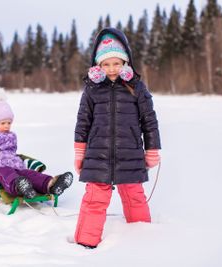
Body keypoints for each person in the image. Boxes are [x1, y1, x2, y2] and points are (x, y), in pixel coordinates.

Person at [73, 28, 161, 249]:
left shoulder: (137, 88)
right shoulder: (92, 90)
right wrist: (80, 153)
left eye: (116, 63)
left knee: (134, 195)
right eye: (106, 64)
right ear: (98, 66)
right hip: (97, 154)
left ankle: (143, 239)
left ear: (125, 63)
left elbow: (149, 121)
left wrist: (152, 150)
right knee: (94, 198)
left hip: (129, 152)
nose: (112, 69)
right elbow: (82, 123)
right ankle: (86, 241)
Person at [0, 88, 73, 199]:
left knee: (29, 174)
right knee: (7, 173)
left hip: (15, 164)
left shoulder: (10, 136)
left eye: (9, 122)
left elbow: (11, 152)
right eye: (3, 123)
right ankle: (18, 187)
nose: (7, 125)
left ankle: (51, 185)